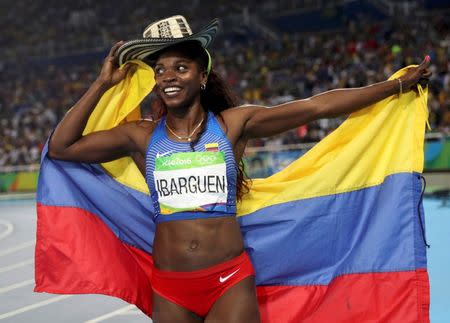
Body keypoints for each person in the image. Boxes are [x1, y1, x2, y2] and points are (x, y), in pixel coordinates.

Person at [48, 15, 431, 323]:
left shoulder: (234, 124)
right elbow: (62, 147)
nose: (168, 77)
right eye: (160, 70)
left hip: (229, 281)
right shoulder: (140, 137)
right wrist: (101, 84)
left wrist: (394, 87)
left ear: (201, 76)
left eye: (180, 67)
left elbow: (318, 106)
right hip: (169, 286)